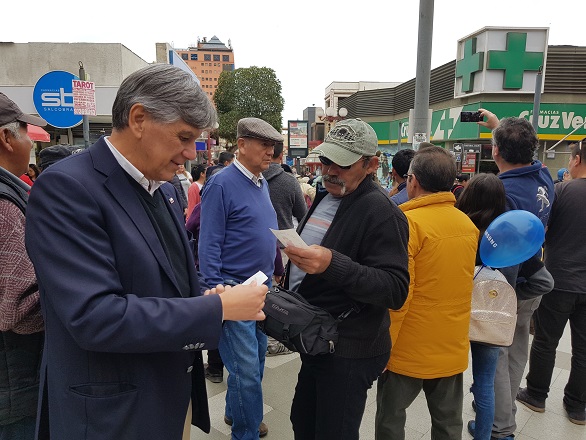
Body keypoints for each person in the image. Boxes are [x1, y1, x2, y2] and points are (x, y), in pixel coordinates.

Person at [24, 64, 268, 440]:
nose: (189, 153)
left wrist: (204, 294)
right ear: (139, 118)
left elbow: (166, 276)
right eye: (183, 137)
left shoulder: (163, 187)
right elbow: (95, 317)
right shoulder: (67, 188)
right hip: (113, 412)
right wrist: (217, 309)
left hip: (169, 396)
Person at [283, 118, 410, 440]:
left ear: (371, 165)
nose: (329, 171)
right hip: (317, 338)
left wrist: (331, 264)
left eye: (342, 164)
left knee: (333, 431)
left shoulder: (382, 212)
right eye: (326, 160)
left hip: (350, 348)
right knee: (303, 421)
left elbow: (395, 289)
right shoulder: (327, 194)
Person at [375, 146, 478, 440]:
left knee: (391, 420)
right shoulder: (467, 224)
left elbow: (400, 296)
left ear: (414, 181)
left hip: (408, 348)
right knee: (448, 424)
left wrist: (384, 346)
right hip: (451, 345)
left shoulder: (407, 224)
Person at [199, 117, 282, 439]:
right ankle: (245, 433)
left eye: (273, 146)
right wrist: (216, 293)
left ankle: (237, 413)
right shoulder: (221, 183)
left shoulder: (261, 183)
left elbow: (265, 230)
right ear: (242, 145)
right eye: (264, 145)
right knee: (245, 368)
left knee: (256, 358)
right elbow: (209, 242)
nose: (270, 152)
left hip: (261, 286)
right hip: (233, 289)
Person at [476, 109, 555, 440]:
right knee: (517, 349)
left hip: (505, 288)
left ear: (495, 152)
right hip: (533, 280)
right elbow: (523, 153)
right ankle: (505, 413)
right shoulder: (544, 178)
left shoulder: (501, 192)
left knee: (496, 358)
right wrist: (499, 128)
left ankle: (500, 426)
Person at [517, 139, 586, 426]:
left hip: (559, 279)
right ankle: (577, 406)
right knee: (583, 348)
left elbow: (541, 230)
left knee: (546, 341)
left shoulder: (561, 191)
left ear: (577, 160)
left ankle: (536, 395)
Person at [0, 92, 47, 440]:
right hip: (14, 384)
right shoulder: (5, 206)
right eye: (26, 132)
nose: (32, 143)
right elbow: (18, 308)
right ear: (6, 136)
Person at [262, 140, 308, 356]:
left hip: (255, 247)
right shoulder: (289, 182)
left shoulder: (251, 179)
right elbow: (303, 214)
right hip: (283, 247)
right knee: (279, 297)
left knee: (258, 294)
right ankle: (274, 340)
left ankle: (259, 338)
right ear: (281, 156)